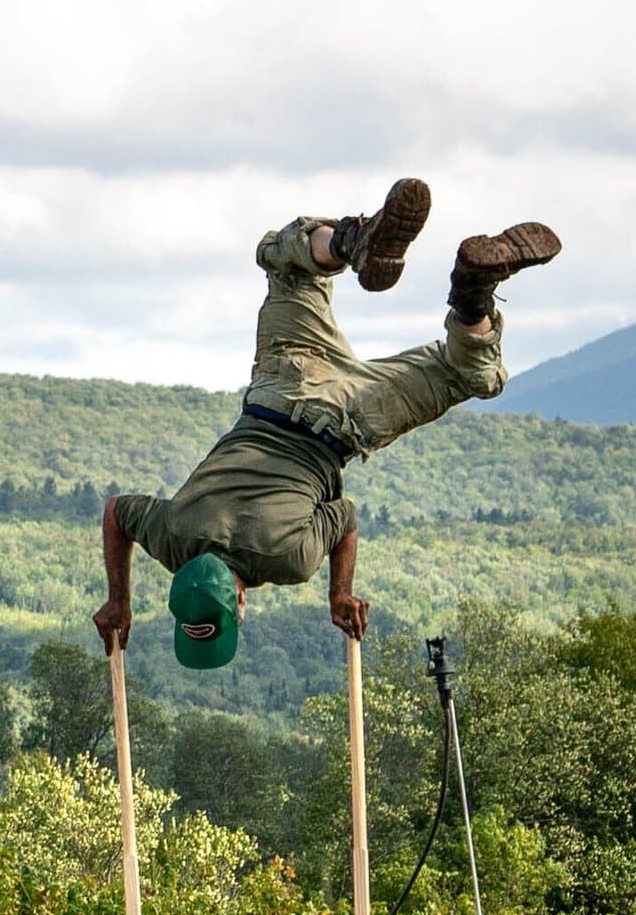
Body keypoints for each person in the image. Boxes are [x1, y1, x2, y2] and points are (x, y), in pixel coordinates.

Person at [94, 178, 559, 667]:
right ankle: (350, 241)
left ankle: (472, 295)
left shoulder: (288, 560)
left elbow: (345, 516)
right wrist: (119, 600)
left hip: (345, 421)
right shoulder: (170, 537)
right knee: (281, 261)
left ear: (242, 606)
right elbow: (115, 512)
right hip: (280, 383)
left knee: (470, 375)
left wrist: (340, 593)